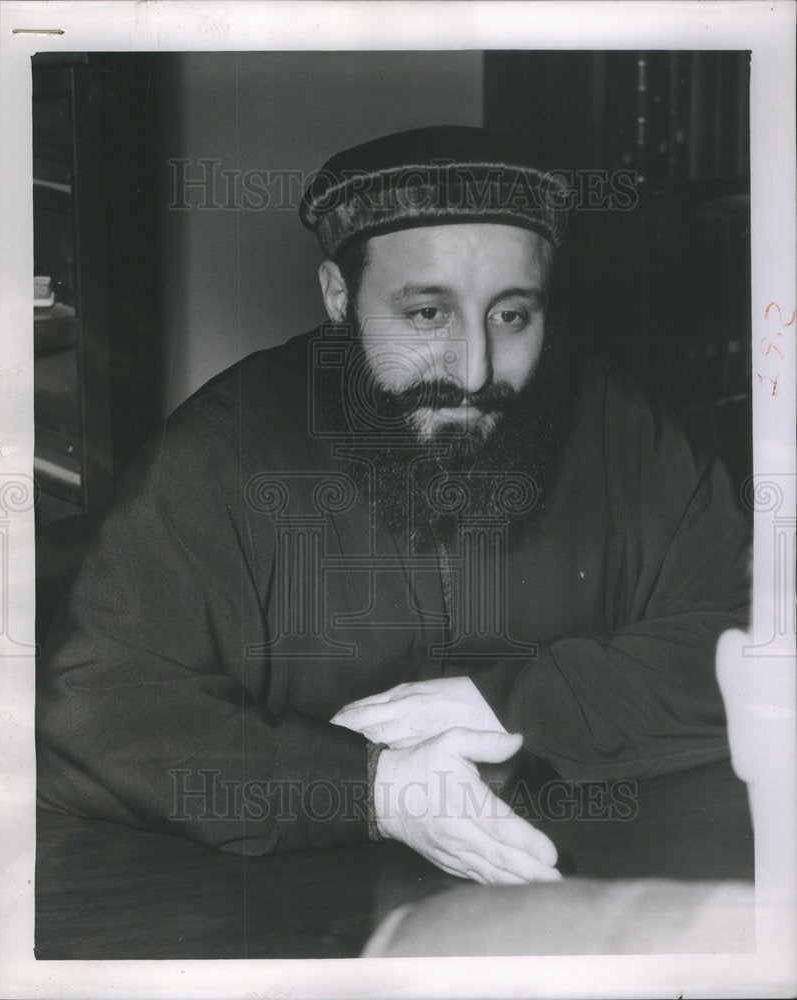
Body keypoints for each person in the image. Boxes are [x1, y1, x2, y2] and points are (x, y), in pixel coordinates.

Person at [36, 126, 750, 886]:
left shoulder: (624, 429)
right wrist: (375, 789)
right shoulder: (219, 449)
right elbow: (95, 713)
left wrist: (505, 705)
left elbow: (758, 637)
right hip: (298, 906)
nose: (474, 373)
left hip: (586, 883)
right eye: (427, 315)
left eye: (511, 315)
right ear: (339, 297)